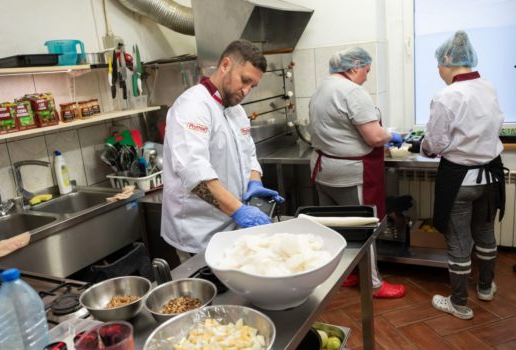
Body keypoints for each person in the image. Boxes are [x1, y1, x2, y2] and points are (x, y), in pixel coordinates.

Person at [409, 30, 506, 319]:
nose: (438, 70)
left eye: (438, 64)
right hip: (491, 177)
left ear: (448, 60)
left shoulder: (447, 95)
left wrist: (422, 147)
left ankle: (459, 303)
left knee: (460, 241)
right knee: (486, 234)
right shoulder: (487, 86)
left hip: (459, 180)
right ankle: (486, 288)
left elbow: (435, 143)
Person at [161, 39, 284, 261]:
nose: (246, 91)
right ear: (225, 65)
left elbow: (249, 155)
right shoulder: (193, 106)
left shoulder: (236, 111)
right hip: (199, 232)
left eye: (252, 86)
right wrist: (240, 210)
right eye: (244, 80)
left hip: (231, 226)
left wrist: (254, 183)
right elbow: (195, 175)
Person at [308, 47, 405, 298]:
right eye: (366, 71)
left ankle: (344, 274)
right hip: (350, 174)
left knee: (335, 229)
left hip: (323, 172)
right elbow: (374, 137)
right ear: (353, 67)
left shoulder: (321, 90)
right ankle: (374, 285)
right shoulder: (352, 91)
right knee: (365, 228)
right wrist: (392, 136)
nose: (366, 77)